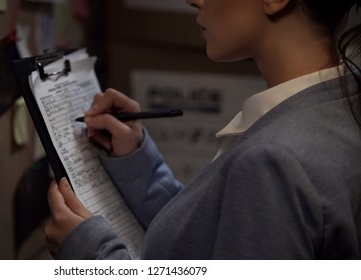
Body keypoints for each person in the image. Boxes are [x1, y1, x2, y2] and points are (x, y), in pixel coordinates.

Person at [45, 0, 361, 259]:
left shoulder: (276, 160)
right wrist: (139, 166)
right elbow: (209, 243)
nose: (192, 0)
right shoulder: (338, 104)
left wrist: (89, 252)